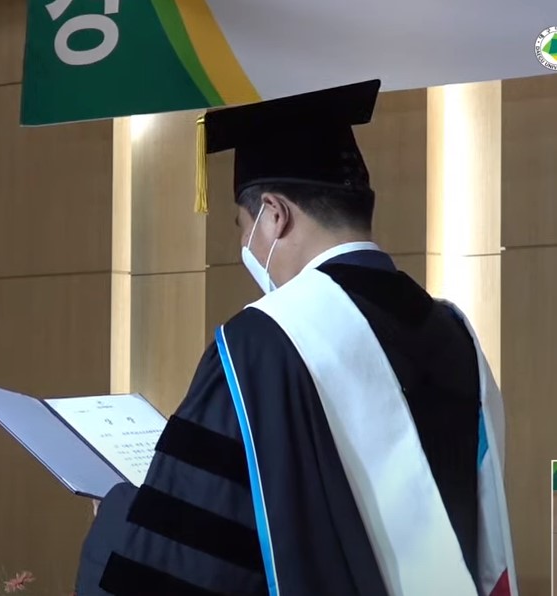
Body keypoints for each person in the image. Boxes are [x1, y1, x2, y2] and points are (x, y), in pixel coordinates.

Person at [74, 81, 517, 596]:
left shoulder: (262, 344)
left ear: (275, 214)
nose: (244, 244)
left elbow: (191, 555)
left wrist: (120, 512)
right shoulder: (454, 331)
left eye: (243, 226)